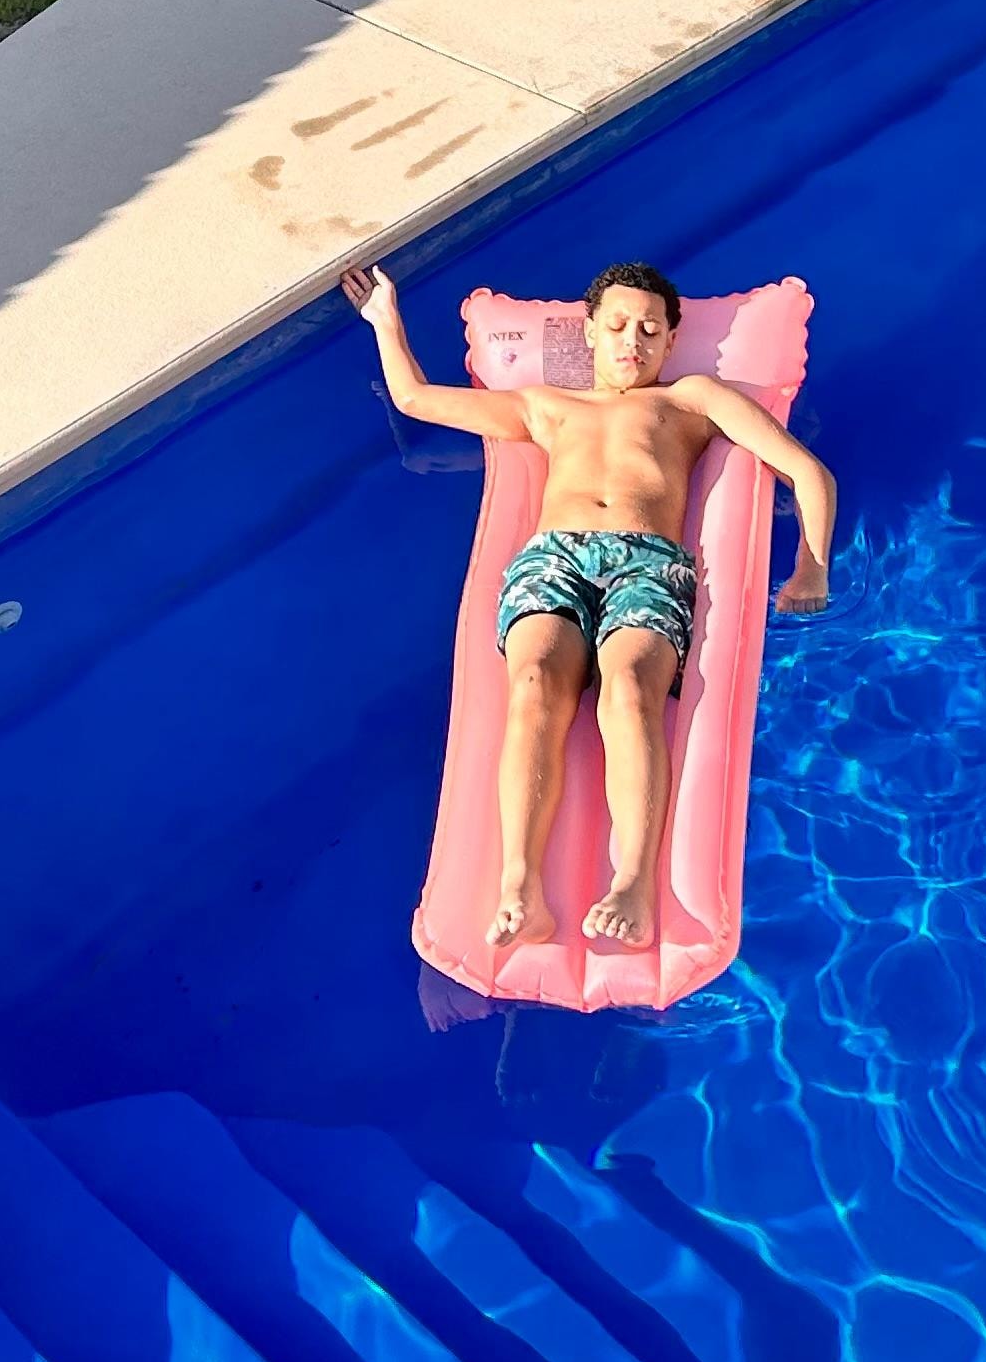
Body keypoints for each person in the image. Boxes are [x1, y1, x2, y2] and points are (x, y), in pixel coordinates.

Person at [343, 258, 836, 953]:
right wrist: (385, 321)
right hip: (554, 558)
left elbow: (807, 470)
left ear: (670, 341)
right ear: (590, 333)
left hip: (647, 561)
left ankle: (631, 881)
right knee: (537, 682)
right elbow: (419, 400)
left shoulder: (691, 398)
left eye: (650, 329)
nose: (633, 340)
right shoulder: (545, 405)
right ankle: (520, 885)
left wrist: (809, 567)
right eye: (617, 326)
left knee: (631, 688)